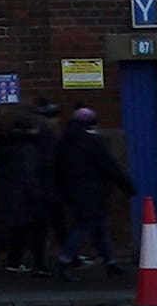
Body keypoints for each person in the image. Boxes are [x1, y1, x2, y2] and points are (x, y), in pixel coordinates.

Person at [53, 106, 134, 274]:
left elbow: (56, 169)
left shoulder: (63, 142)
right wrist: (128, 187)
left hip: (72, 192)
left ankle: (111, 263)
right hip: (93, 191)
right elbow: (110, 166)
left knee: (100, 226)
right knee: (85, 226)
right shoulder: (93, 142)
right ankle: (64, 261)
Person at [0, 114, 53, 276]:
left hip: (10, 194)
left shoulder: (9, 145)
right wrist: (39, 193)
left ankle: (9, 261)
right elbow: (30, 174)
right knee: (35, 231)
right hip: (27, 196)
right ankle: (38, 265)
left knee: (13, 231)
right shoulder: (28, 148)